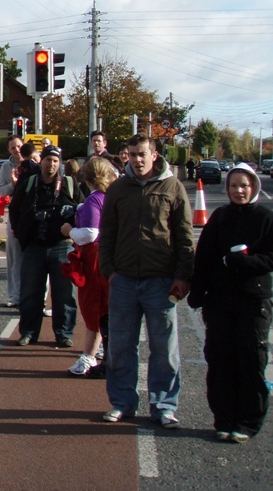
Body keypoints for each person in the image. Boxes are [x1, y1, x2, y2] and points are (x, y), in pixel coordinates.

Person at [99, 134, 194, 428]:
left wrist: (182, 276)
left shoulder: (173, 187)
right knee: (120, 346)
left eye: (142, 154)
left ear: (154, 155)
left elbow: (184, 237)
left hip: (160, 282)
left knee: (164, 348)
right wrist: (110, 271)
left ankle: (164, 405)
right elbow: (107, 234)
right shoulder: (118, 189)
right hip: (124, 280)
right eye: (132, 154)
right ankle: (122, 402)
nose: (137, 160)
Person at [189, 164, 273, 442]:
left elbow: (270, 258)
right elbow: (205, 258)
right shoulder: (220, 217)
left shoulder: (265, 217)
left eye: (244, 186)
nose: (239, 190)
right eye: (234, 185)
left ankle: (247, 422)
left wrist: (244, 261)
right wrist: (197, 292)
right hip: (221, 300)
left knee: (250, 359)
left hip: (254, 300)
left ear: (253, 188)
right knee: (220, 359)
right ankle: (223, 419)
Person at [9, 145, 82, 347]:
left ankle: (64, 334)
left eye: (56, 161)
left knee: (64, 294)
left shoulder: (69, 184)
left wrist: (74, 233)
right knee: (30, 292)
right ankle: (29, 332)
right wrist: (21, 234)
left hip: (62, 245)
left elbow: (82, 210)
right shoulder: (29, 183)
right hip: (34, 246)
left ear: (60, 164)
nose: (51, 164)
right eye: (48, 160)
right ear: (41, 161)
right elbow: (14, 210)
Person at [61, 157, 117, 377]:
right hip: (108, 256)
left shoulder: (95, 200)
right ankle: (99, 349)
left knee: (92, 305)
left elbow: (90, 233)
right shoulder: (111, 197)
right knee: (105, 306)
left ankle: (89, 355)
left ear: (86, 177)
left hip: (94, 258)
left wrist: (69, 231)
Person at [0, 135, 24, 307]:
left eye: (19, 146)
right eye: (13, 148)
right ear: (9, 150)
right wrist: (12, 186)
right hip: (16, 214)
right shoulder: (6, 167)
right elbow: (0, 190)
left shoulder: (34, 162)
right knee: (14, 257)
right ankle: (14, 296)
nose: (17, 150)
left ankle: (37, 299)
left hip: (34, 215)